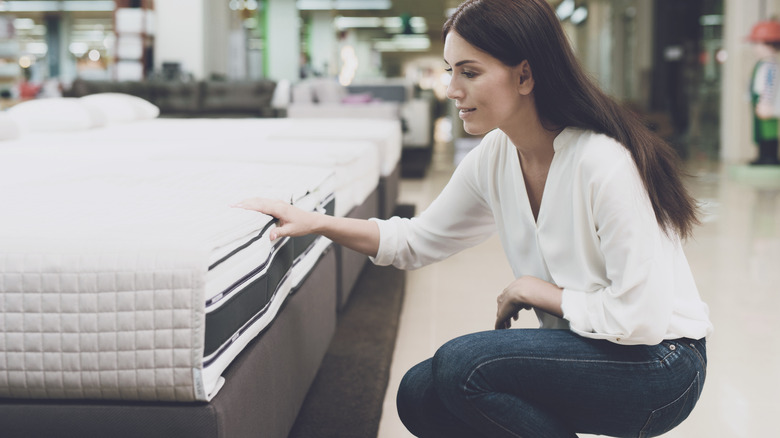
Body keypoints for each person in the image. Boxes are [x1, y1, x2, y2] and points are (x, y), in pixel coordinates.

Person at [235, 0, 713, 436]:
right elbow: (416, 240)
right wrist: (316, 221)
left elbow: (642, 321)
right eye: (450, 71)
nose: (451, 89)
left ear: (525, 76)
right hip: (597, 348)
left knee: (463, 365)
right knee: (420, 394)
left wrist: (535, 290)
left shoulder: (602, 161)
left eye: (468, 72)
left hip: (662, 366)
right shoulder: (497, 155)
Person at [748, 19, 780, 166]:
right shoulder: (763, 64)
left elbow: (770, 86)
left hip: (766, 103)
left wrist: (766, 103)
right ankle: (763, 155)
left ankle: (770, 156)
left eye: (758, 43)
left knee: (769, 131)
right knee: (760, 131)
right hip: (759, 101)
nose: (755, 48)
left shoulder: (771, 66)